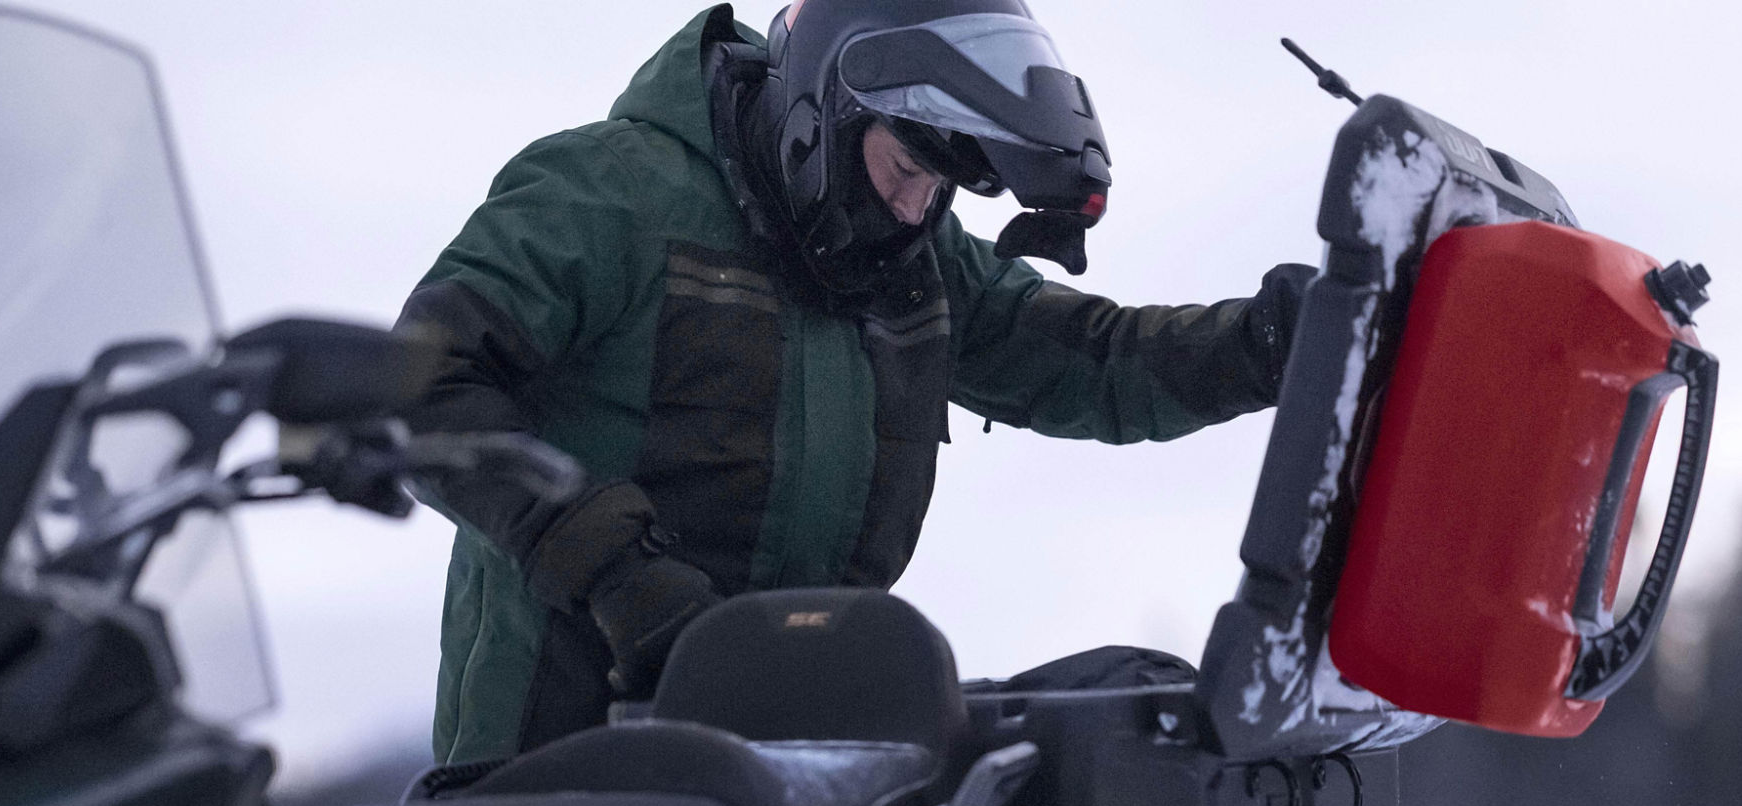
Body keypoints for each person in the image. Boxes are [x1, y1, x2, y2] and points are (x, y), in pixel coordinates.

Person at [398, 0, 1316, 764]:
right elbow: (416, 389)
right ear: (821, 115)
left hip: (787, 759)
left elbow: (1098, 359)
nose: (916, 206)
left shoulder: (911, 259)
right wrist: (620, 575)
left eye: (941, 188)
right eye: (908, 168)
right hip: (551, 765)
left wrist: (1272, 343)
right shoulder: (608, 194)